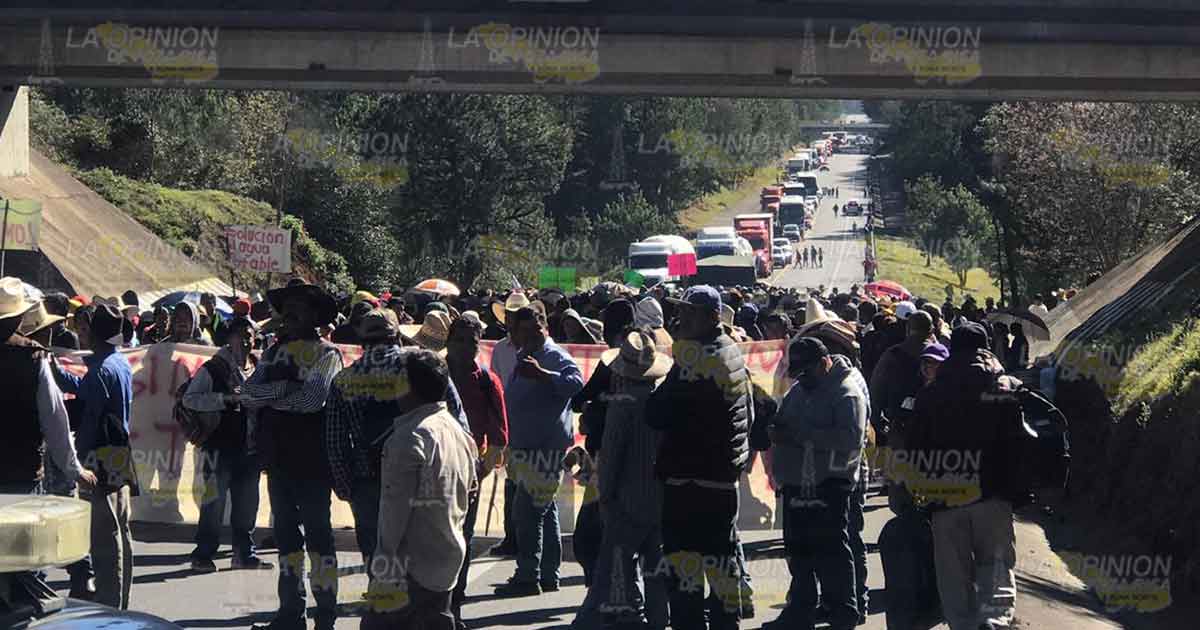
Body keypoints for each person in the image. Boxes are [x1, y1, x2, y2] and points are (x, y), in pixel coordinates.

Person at [326, 308, 474, 593]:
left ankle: (386, 607)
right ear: (398, 336)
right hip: (427, 477)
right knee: (429, 555)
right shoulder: (422, 366)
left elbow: (335, 442)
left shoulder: (344, 380)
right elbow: (456, 417)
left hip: (367, 481)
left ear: (362, 340)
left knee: (379, 561)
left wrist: (347, 487)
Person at [907, 322, 1026, 630]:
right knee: (996, 566)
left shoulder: (930, 395)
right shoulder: (1004, 388)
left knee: (953, 575)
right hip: (993, 495)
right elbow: (1018, 444)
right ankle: (995, 621)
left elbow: (914, 450)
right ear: (985, 347)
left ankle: (963, 626)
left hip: (945, 500)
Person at [646, 285, 750, 630]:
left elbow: (658, 413)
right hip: (719, 478)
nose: (682, 318)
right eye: (682, 311)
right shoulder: (730, 351)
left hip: (692, 480)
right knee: (722, 565)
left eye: (690, 312)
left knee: (686, 576)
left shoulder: (698, 359)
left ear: (712, 316)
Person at [242, 283, 344, 630]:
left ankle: (326, 617)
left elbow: (312, 401)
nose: (290, 312)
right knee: (287, 541)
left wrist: (270, 397)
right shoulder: (272, 353)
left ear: (315, 315)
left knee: (319, 541)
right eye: (287, 306)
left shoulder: (327, 353)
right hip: (279, 461)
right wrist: (283, 391)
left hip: (314, 462)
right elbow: (247, 393)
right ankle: (291, 616)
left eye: (299, 306)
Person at [361, 350, 479, 630]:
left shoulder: (409, 438)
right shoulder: (458, 432)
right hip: (447, 557)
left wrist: (383, 562)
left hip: (410, 566)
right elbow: (470, 492)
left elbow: (394, 508)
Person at [765, 337, 868, 630]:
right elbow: (784, 421)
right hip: (796, 485)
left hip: (829, 486)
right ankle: (801, 609)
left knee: (832, 555)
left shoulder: (846, 393)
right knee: (799, 554)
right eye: (798, 373)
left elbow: (849, 442)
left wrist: (797, 435)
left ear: (824, 363)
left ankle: (843, 614)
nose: (802, 378)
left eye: (806, 371)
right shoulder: (800, 389)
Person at [583, 328, 672, 630]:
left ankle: (610, 619)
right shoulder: (661, 400)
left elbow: (611, 456)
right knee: (656, 567)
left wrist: (605, 494)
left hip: (627, 499)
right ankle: (659, 621)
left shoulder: (623, 405)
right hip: (659, 496)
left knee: (614, 566)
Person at [495, 306, 585, 596]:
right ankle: (547, 575)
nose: (521, 336)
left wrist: (544, 375)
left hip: (543, 449)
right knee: (544, 514)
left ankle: (528, 576)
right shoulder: (526, 355)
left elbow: (576, 384)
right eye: (518, 331)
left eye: (528, 330)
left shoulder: (554, 355)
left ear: (542, 328)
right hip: (527, 448)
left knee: (527, 513)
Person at [52, 301, 135, 610]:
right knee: (120, 532)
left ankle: (109, 607)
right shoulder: (118, 363)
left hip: (100, 455)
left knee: (104, 538)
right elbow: (86, 390)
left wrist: (78, 460)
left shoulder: (101, 370)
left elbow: (89, 413)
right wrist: (59, 373)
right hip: (119, 453)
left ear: (95, 336)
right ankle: (120, 602)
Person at [182, 316, 272, 572]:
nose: (246, 340)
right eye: (241, 335)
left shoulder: (259, 367)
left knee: (247, 505)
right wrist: (225, 399)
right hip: (219, 447)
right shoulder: (213, 369)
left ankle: (244, 554)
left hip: (250, 448)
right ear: (229, 338)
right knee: (213, 505)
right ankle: (203, 554)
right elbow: (191, 399)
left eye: (250, 335)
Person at [445, 317, 509, 630]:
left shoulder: (487, 380)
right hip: (427, 469)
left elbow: (499, 437)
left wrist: (480, 471)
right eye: (459, 339)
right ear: (447, 341)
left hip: (469, 470)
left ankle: (454, 603)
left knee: (462, 538)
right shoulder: (429, 373)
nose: (466, 346)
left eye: (472, 341)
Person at [488, 290, 531, 557]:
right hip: (507, 422)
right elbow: (495, 385)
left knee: (528, 487)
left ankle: (525, 541)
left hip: (530, 423)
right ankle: (511, 537)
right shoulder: (500, 349)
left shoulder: (535, 348)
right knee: (511, 484)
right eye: (510, 316)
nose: (512, 321)